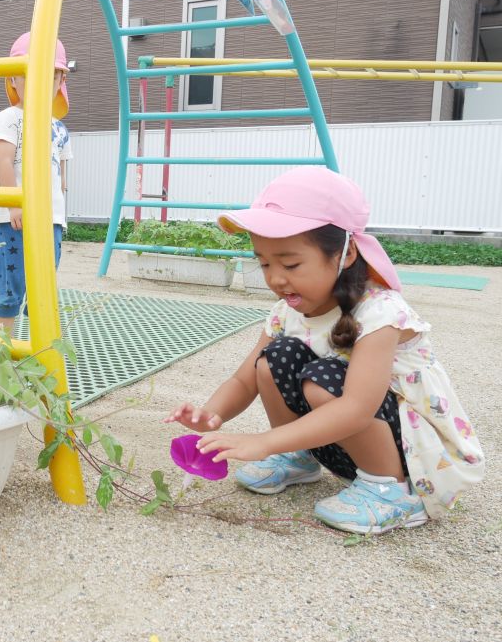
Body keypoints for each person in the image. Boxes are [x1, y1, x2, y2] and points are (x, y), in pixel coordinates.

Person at [167, 167, 484, 534]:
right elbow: (245, 377)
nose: (275, 278)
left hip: (412, 456)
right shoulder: (288, 311)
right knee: (273, 360)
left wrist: (263, 442)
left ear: (346, 254)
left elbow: (356, 408)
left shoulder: (380, 313)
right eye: (264, 263)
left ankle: (389, 491)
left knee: (324, 379)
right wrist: (212, 414)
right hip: (337, 438)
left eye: (290, 263)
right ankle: (298, 458)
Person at [0, 32, 72, 332]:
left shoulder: (58, 127)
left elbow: (60, 170)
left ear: (60, 80)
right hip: (15, 220)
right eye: (30, 74)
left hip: (51, 220)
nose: (40, 82)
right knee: (10, 287)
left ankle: (38, 350)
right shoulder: (10, 117)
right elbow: (3, 160)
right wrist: (14, 204)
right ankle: (1, 350)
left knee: (44, 288)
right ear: (14, 79)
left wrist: (60, 209)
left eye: (50, 75)